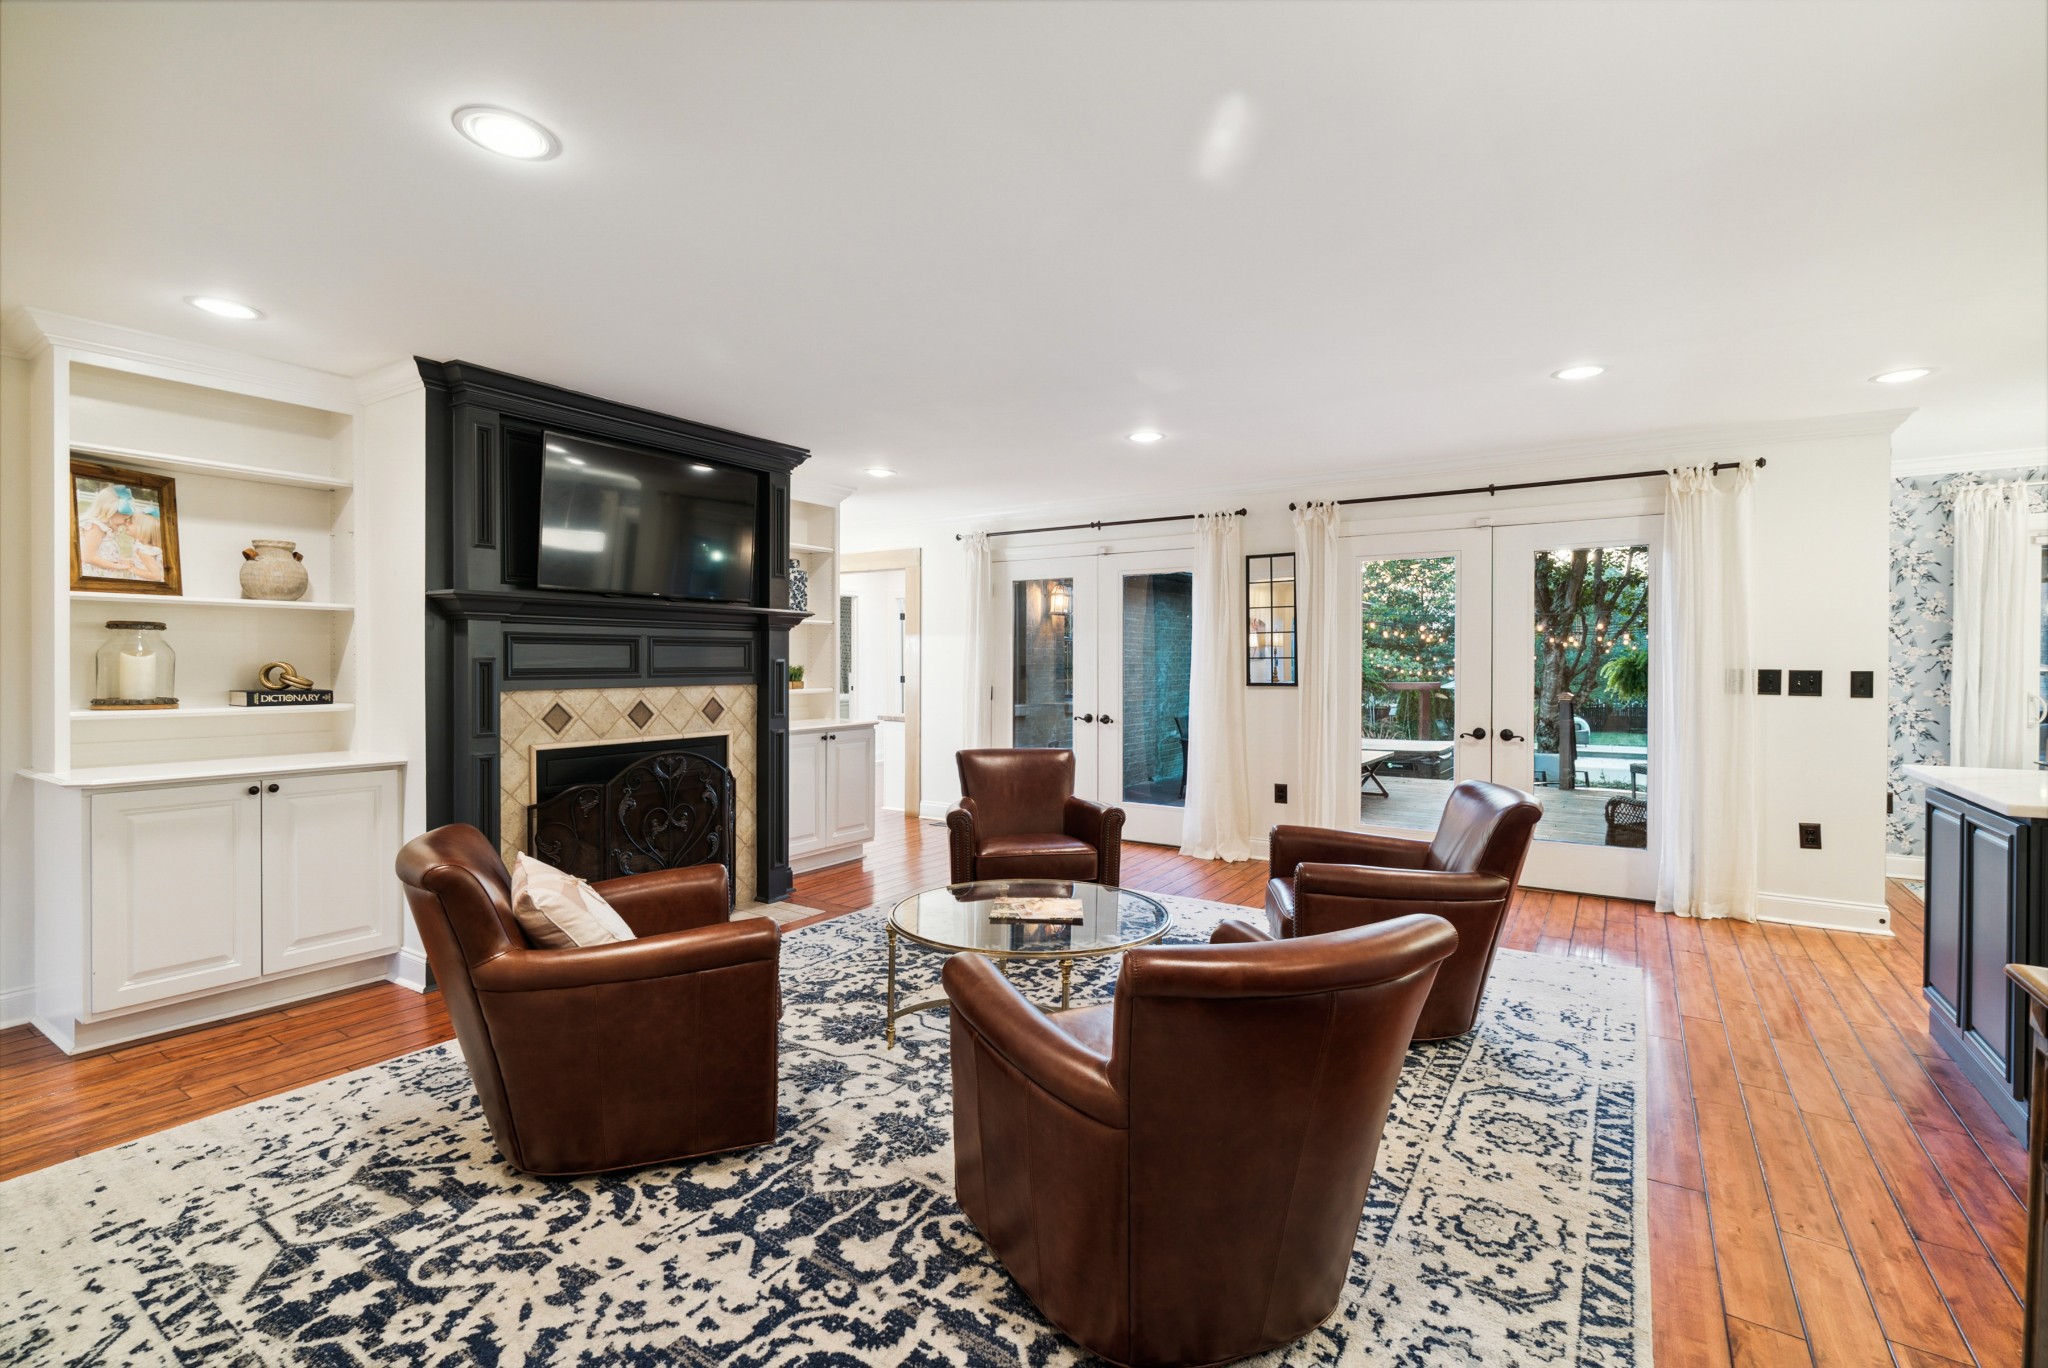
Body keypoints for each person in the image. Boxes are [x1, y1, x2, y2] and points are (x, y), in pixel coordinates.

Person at [77, 484, 140, 578]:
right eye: (125, 516)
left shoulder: (106, 528)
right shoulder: (95, 527)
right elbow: (88, 557)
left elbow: (104, 554)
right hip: (91, 575)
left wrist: (121, 560)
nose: (126, 521)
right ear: (109, 510)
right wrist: (117, 567)